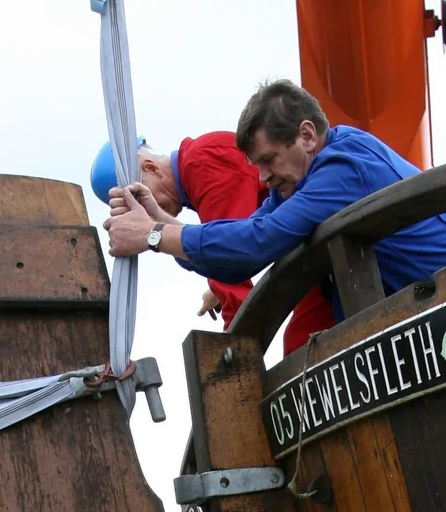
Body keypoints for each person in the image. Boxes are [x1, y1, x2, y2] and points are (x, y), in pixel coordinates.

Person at [102, 78, 446, 327]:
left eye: (268, 160)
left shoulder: (342, 168)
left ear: (307, 136)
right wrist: (161, 222)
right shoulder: (297, 183)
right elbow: (247, 235)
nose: (262, 178)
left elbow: (257, 243)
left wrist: (152, 236)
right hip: (421, 307)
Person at [89, 132, 335, 355]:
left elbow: (234, 253)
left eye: (139, 198)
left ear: (151, 167)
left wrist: (234, 350)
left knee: (302, 346)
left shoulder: (202, 164)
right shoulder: (199, 165)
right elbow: (224, 241)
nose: (143, 211)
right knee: (302, 344)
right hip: (314, 246)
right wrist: (219, 285)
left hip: (326, 244)